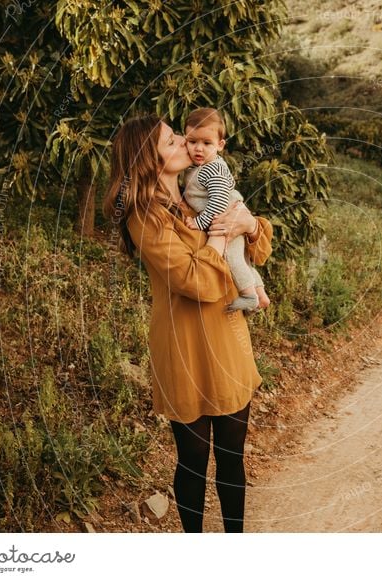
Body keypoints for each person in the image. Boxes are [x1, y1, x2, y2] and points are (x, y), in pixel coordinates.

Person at [102, 114, 273, 532]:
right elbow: (193, 280)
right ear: (150, 159)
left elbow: (256, 250)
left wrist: (248, 224)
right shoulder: (144, 218)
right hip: (184, 344)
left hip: (227, 337)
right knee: (194, 459)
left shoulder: (198, 194)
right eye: (172, 142)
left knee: (232, 454)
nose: (184, 142)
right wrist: (218, 235)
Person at [182, 107, 270, 313]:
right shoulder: (198, 167)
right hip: (225, 216)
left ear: (220, 145)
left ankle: (249, 296)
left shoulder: (212, 168)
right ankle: (261, 294)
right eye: (192, 141)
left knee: (232, 258)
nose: (198, 149)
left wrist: (199, 222)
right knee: (242, 260)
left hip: (225, 217)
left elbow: (219, 201)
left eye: (206, 143)